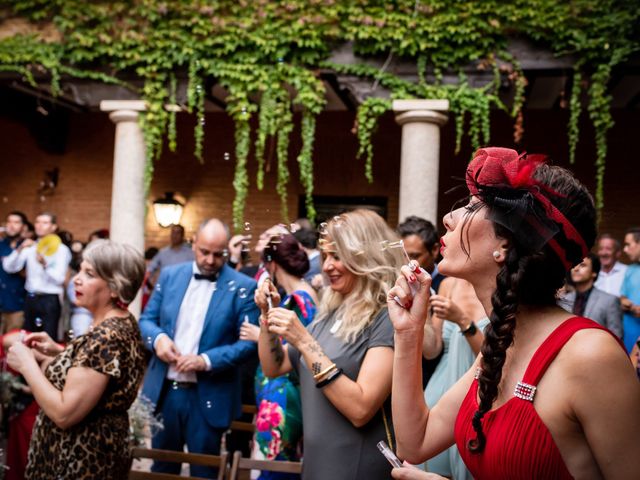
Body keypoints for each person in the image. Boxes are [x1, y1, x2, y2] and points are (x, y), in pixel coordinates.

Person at [388, 148, 639, 479]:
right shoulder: (500, 344)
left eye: (472, 206)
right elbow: (414, 443)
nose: (448, 218)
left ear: (505, 245)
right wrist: (408, 333)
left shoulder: (590, 355)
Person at [256, 209, 404, 480]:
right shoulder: (331, 310)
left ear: (364, 256)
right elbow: (274, 366)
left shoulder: (387, 316)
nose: (326, 266)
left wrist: (304, 340)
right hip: (317, 463)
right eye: (326, 256)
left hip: (357, 465)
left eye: (338, 256)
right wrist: (268, 315)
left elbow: (361, 409)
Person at [6, 239, 147, 479]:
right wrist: (60, 352)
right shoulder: (120, 322)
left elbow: (64, 414)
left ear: (115, 287)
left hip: (78, 462)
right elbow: (101, 373)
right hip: (95, 453)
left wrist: (28, 365)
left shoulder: (106, 337)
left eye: (89, 274)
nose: (76, 279)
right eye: (80, 269)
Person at [139, 218, 260, 477]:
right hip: (164, 393)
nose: (210, 260)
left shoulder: (244, 286)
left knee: (204, 472)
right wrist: (158, 339)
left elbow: (249, 344)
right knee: (161, 469)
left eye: (218, 254)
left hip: (209, 395)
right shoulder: (171, 275)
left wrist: (205, 360)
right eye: (205, 252)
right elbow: (146, 320)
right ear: (194, 243)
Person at [240, 233, 318, 478]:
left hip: (283, 401)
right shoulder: (304, 294)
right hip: (285, 397)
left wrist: (259, 334)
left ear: (271, 264)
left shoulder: (298, 300)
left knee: (272, 471)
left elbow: (301, 348)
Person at [422, 277, 489, 479]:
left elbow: (496, 360)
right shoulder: (448, 285)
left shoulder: (504, 285)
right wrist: (422, 314)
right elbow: (432, 351)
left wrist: (463, 321)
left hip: (481, 392)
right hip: (441, 392)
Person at [2, 212, 71, 340]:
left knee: (48, 338)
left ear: (54, 227)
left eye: (45, 223)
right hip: (30, 298)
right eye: (37, 222)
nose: (39, 226)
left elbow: (60, 279)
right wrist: (20, 248)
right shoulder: (30, 247)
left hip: (50, 298)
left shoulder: (61, 250)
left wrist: (45, 265)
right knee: (28, 338)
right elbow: (10, 267)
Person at [558, 253, 622, 338]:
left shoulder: (610, 300)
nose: (576, 269)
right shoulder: (563, 299)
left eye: (582, 265)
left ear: (594, 272)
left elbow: (617, 336)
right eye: (575, 265)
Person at [397, 216, 444, 292]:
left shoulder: (451, 282)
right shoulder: (396, 281)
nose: (408, 262)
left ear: (434, 250)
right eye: (403, 255)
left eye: (415, 256)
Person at [0, 211, 28, 333]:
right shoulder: (1, 244)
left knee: (12, 343)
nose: (11, 225)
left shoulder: (28, 247)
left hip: (17, 304)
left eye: (16, 222)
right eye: (9, 221)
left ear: (23, 227)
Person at [621, 227, 640, 353]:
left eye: (628, 244)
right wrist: (624, 302)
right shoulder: (630, 269)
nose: (625, 250)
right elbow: (622, 296)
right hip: (628, 337)